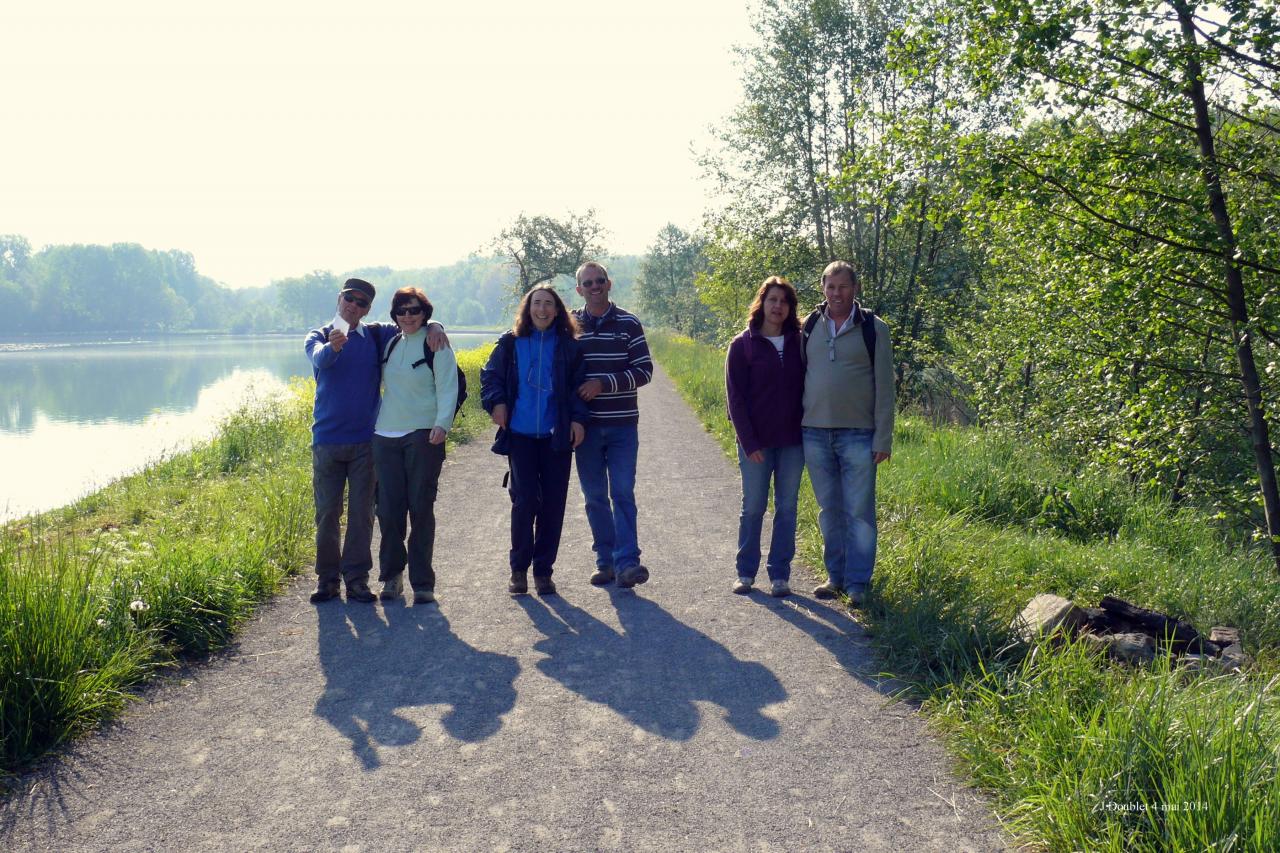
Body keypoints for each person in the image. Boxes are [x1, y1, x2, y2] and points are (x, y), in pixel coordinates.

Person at [304, 278, 446, 604]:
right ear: (339, 299)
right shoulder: (319, 336)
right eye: (349, 299)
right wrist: (333, 346)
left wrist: (435, 324)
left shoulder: (376, 334)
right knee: (326, 514)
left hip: (367, 442)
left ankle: (356, 580)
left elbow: (410, 320)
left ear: (368, 309)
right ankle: (327, 580)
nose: (354, 306)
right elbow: (320, 359)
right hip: (326, 441)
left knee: (362, 515)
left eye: (362, 303)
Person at [480, 284, 590, 596]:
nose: (541, 310)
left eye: (548, 304)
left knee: (553, 504)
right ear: (527, 310)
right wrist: (497, 402)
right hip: (521, 435)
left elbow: (578, 387)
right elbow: (490, 376)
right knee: (525, 500)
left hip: (556, 437)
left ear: (557, 311)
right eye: (536, 304)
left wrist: (579, 420)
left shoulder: (569, 346)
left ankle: (543, 572)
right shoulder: (511, 342)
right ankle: (518, 570)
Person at [800, 260, 895, 605]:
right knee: (829, 510)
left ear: (855, 289)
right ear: (822, 288)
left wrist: (882, 437)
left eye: (843, 286)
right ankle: (835, 577)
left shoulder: (874, 328)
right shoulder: (809, 325)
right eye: (830, 286)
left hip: (859, 434)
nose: (836, 293)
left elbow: (886, 388)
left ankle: (858, 584)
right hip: (814, 433)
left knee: (859, 511)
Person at [372, 287, 458, 606]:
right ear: (394, 315)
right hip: (385, 435)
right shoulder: (391, 343)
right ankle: (391, 577)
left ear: (425, 312)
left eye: (414, 310)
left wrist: (442, 424)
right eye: (401, 311)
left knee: (421, 508)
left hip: (424, 434)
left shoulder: (436, 342)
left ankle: (423, 582)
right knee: (389, 510)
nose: (407, 316)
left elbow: (447, 386)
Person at [571, 261, 653, 589]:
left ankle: (628, 562)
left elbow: (644, 371)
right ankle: (605, 561)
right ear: (579, 289)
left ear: (609, 283)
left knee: (622, 493)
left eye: (600, 281)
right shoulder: (571, 325)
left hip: (622, 427)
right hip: (585, 428)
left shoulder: (629, 323)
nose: (595, 287)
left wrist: (603, 383)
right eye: (588, 283)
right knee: (593, 497)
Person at [725, 276, 806, 598]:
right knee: (754, 508)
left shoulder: (801, 342)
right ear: (762, 303)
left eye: (784, 301)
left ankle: (780, 575)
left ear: (790, 308)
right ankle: (745, 572)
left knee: (787, 508)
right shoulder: (742, 345)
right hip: (756, 443)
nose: (778, 306)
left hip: (793, 442)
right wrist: (749, 442)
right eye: (773, 299)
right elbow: (735, 399)